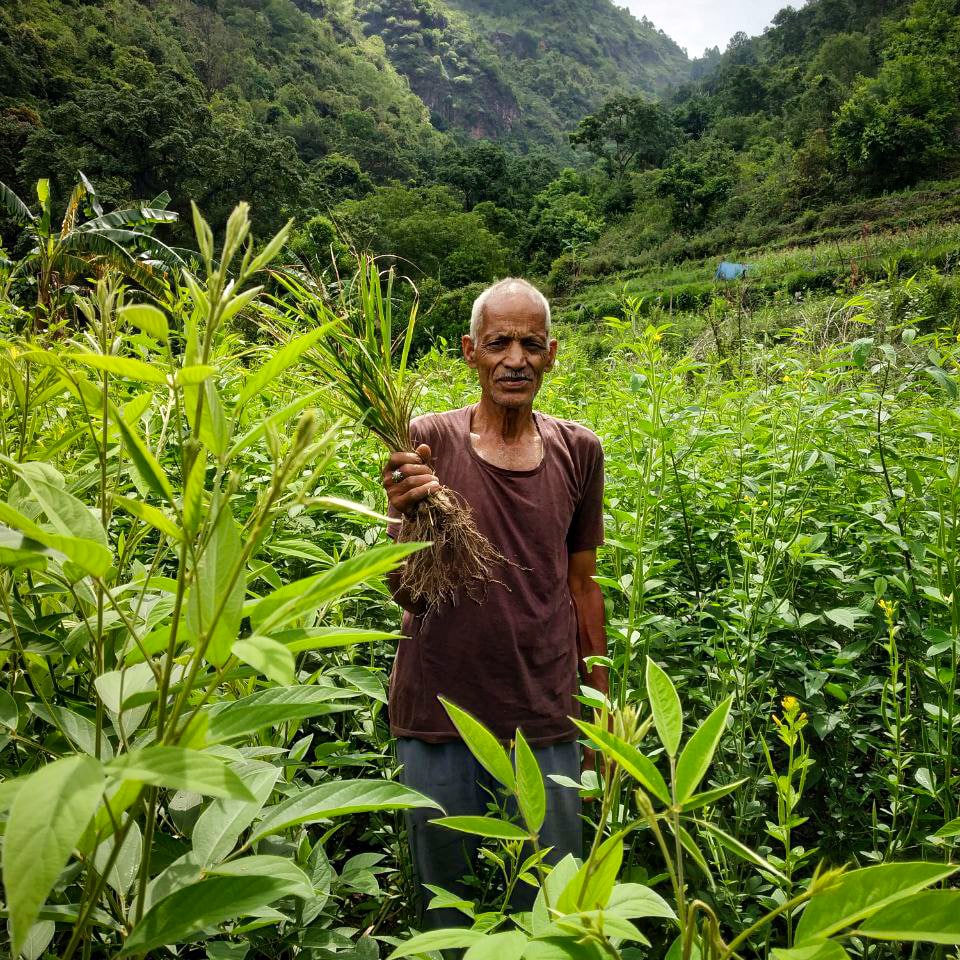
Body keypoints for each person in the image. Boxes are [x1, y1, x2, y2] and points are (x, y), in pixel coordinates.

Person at [383, 278, 606, 927]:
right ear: (470, 352)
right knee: (448, 911)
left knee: (546, 912)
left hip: (546, 720)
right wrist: (405, 517)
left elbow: (582, 586)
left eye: (530, 344)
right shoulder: (429, 441)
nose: (515, 358)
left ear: (552, 354)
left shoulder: (579, 451)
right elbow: (404, 590)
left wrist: (602, 704)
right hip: (439, 722)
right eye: (499, 342)